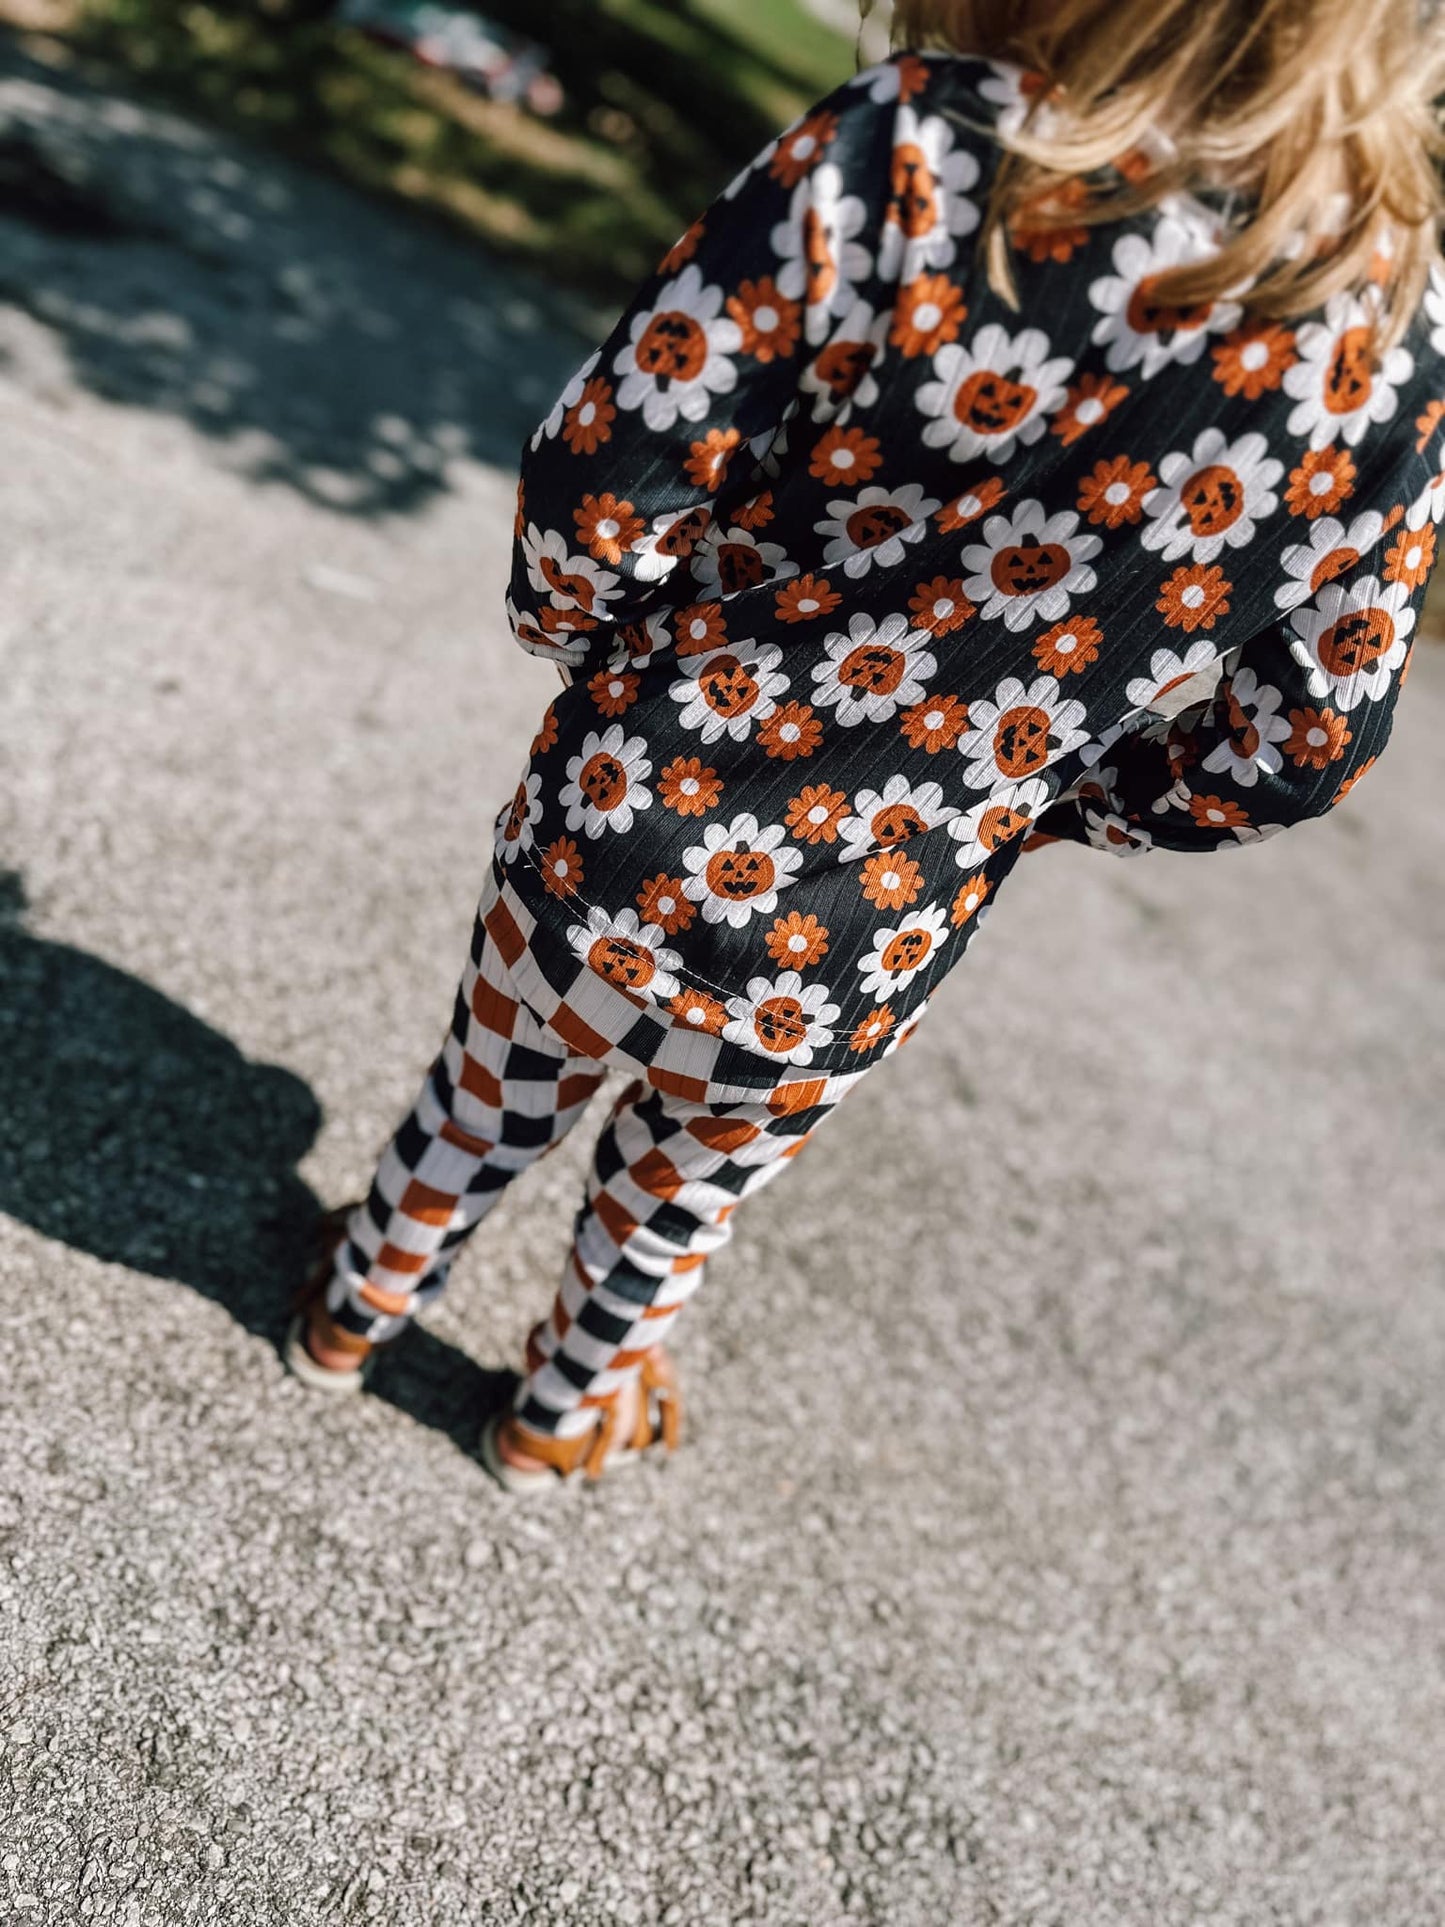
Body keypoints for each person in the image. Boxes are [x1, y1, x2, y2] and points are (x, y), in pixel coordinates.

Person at [286, 0, 1445, 1490]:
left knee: (485, 1090)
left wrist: (607, 666)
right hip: (870, 915)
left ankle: (353, 1308)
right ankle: (558, 1413)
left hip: (625, 808)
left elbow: (605, 468)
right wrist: (1048, 795)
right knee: (678, 1200)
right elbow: (1301, 740)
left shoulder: (918, 144)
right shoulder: (1394, 349)